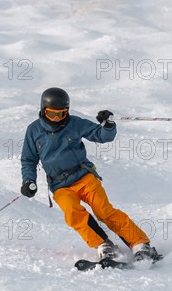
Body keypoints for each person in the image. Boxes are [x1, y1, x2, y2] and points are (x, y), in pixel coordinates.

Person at [20, 87, 161, 261]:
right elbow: (28, 159)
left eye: (61, 114)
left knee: (104, 211)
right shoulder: (33, 131)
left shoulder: (74, 124)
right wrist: (28, 180)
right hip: (60, 185)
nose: (57, 119)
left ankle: (140, 244)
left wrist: (108, 126)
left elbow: (102, 135)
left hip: (83, 176)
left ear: (67, 111)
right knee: (73, 213)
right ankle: (104, 245)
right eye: (52, 114)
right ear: (43, 110)